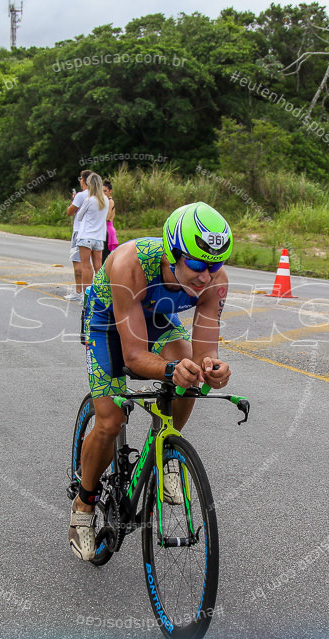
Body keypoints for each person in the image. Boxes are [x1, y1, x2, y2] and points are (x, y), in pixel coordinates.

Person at [70, 202, 233, 561]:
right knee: (111, 418)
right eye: (195, 264)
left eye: (214, 265)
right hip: (108, 323)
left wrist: (212, 370)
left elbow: (206, 352)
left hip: (157, 317)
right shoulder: (131, 263)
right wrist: (169, 370)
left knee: (190, 372)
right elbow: (133, 357)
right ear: (173, 251)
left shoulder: (213, 281)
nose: (206, 276)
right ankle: (84, 505)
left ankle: (165, 453)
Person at [74, 173, 109, 287]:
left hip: (86, 236)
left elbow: (79, 216)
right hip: (99, 237)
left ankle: (86, 294)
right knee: (98, 266)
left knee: (86, 266)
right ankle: (98, 292)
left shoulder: (89, 200)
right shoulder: (105, 200)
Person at [65, 170, 93, 301]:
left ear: (84, 180)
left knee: (78, 262)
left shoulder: (81, 195)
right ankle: (91, 291)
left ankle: (79, 292)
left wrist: (73, 200)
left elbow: (70, 212)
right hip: (93, 231)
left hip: (79, 231)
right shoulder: (96, 195)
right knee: (93, 263)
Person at [102, 180, 119, 262]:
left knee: (105, 258)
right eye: (101, 191)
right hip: (106, 229)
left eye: (105, 191)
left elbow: (107, 217)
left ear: (110, 191)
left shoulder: (109, 201)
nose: (103, 193)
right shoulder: (106, 201)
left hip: (108, 230)